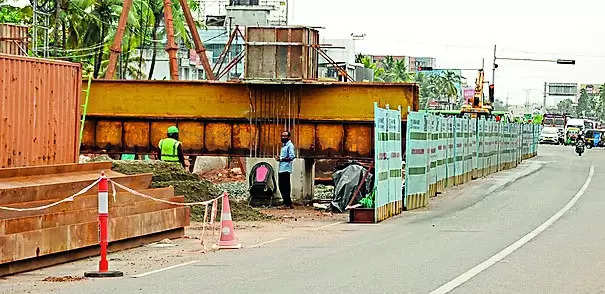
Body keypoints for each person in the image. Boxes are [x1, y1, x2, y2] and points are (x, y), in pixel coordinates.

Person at [276, 131, 296, 209]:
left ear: (289, 137)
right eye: (282, 136)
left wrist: (281, 159)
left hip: (285, 169)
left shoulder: (290, 145)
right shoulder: (284, 146)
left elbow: (292, 157)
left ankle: (287, 203)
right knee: (283, 186)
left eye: (285, 136)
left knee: (284, 186)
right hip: (282, 168)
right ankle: (288, 203)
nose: (283, 137)